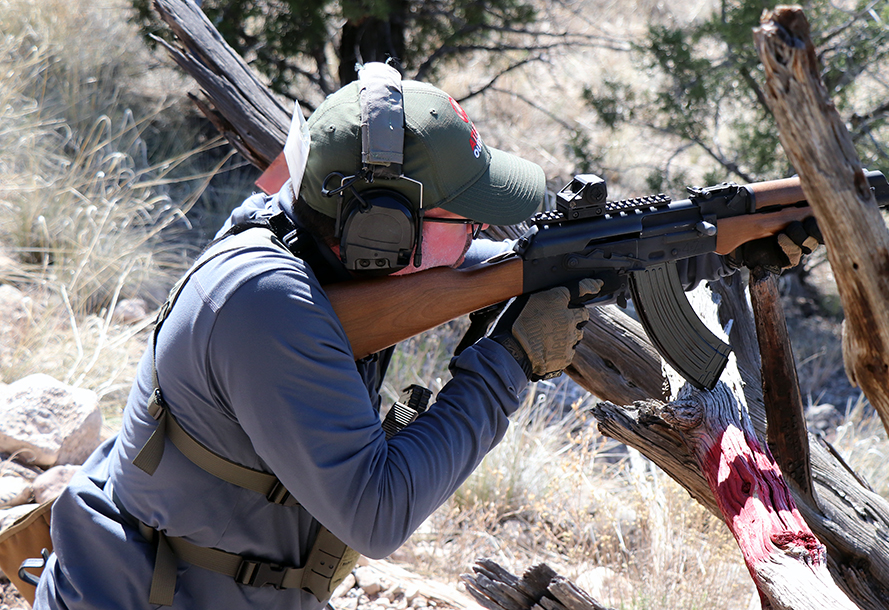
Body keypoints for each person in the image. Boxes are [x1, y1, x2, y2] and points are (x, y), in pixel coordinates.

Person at [33, 66, 818, 610]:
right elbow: (376, 516)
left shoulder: (297, 232)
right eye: (458, 217)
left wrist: (709, 246)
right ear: (380, 231)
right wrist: (508, 362)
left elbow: (499, 266)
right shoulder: (265, 302)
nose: (480, 231)